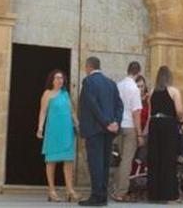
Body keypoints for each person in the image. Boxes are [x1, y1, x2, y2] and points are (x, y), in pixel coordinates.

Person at [78, 56, 122, 207]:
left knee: (95, 163)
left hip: (95, 129)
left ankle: (96, 196)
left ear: (88, 67)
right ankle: (103, 196)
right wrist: (115, 122)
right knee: (104, 163)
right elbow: (119, 105)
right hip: (109, 131)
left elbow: (92, 105)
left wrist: (106, 123)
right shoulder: (111, 83)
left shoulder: (89, 82)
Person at [37, 69, 80, 203]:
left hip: (66, 130)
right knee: (51, 161)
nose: (59, 80)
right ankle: (52, 191)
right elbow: (43, 112)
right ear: (52, 80)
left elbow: (72, 112)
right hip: (53, 131)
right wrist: (40, 128)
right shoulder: (47, 94)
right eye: (57, 78)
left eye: (61, 78)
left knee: (68, 161)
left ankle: (70, 190)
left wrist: (78, 124)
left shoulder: (66, 94)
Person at [146, 65, 183, 202]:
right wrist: (181, 119)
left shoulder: (151, 92)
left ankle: (154, 194)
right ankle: (168, 193)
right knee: (168, 159)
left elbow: (151, 111)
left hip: (154, 124)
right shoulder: (173, 91)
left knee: (155, 158)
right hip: (168, 125)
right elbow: (179, 110)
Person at [112, 61, 144, 202]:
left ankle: (115, 188)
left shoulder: (118, 86)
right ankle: (121, 192)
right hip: (130, 126)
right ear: (138, 72)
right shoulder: (134, 89)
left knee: (120, 159)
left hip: (119, 126)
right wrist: (139, 133)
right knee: (127, 160)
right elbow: (136, 112)